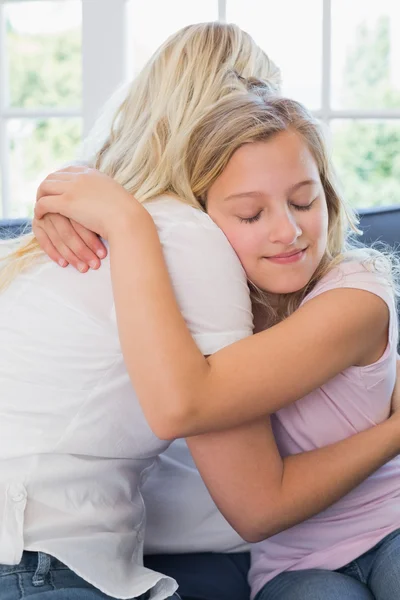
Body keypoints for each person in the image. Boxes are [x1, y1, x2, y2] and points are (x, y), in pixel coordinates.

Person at [33, 82, 400, 600]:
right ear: (201, 223)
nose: (288, 231)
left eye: (304, 200)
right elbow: (248, 501)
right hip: (290, 565)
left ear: (329, 197)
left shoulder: (358, 293)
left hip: (392, 527)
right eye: (252, 214)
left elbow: (194, 400)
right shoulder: (208, 310)